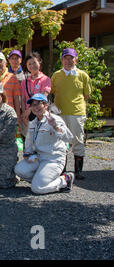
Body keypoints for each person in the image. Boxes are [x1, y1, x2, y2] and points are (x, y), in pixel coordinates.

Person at [14, 94, 75, 194]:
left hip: (53, 159)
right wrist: (27, 154)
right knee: (19, 170)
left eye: (39, 104)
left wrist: (55, 127)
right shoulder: (33, 122)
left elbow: (69, 138)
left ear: (46, 105)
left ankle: (65, 180)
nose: (36, 107)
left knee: (37, 189)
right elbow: (29, 141)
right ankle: (40, 179)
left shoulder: (54, 119)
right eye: (33, 105)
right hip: (38, 157)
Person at [51, 48, 92, 180]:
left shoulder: (83, 75)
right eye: (65, 58)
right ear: (62, 60)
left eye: (71, 58)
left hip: (76, 113)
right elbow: (51, 92)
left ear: (76, 60)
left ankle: (78, 170)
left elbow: (87, 95)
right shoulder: (56, 75)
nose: (68, 61)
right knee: (60, 141)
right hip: (60, 114)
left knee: (78, 141)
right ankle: (61, 169)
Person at [20, 53, 51, 128]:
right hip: (28, 115)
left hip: (40, 112)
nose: (32, 66)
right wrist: (24, 113)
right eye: (29, 64)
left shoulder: (45, 79)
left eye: (34, 62)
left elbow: (43, 96)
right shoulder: (24, 82)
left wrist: (30, 109)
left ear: (39, 62)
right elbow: (23, 98)